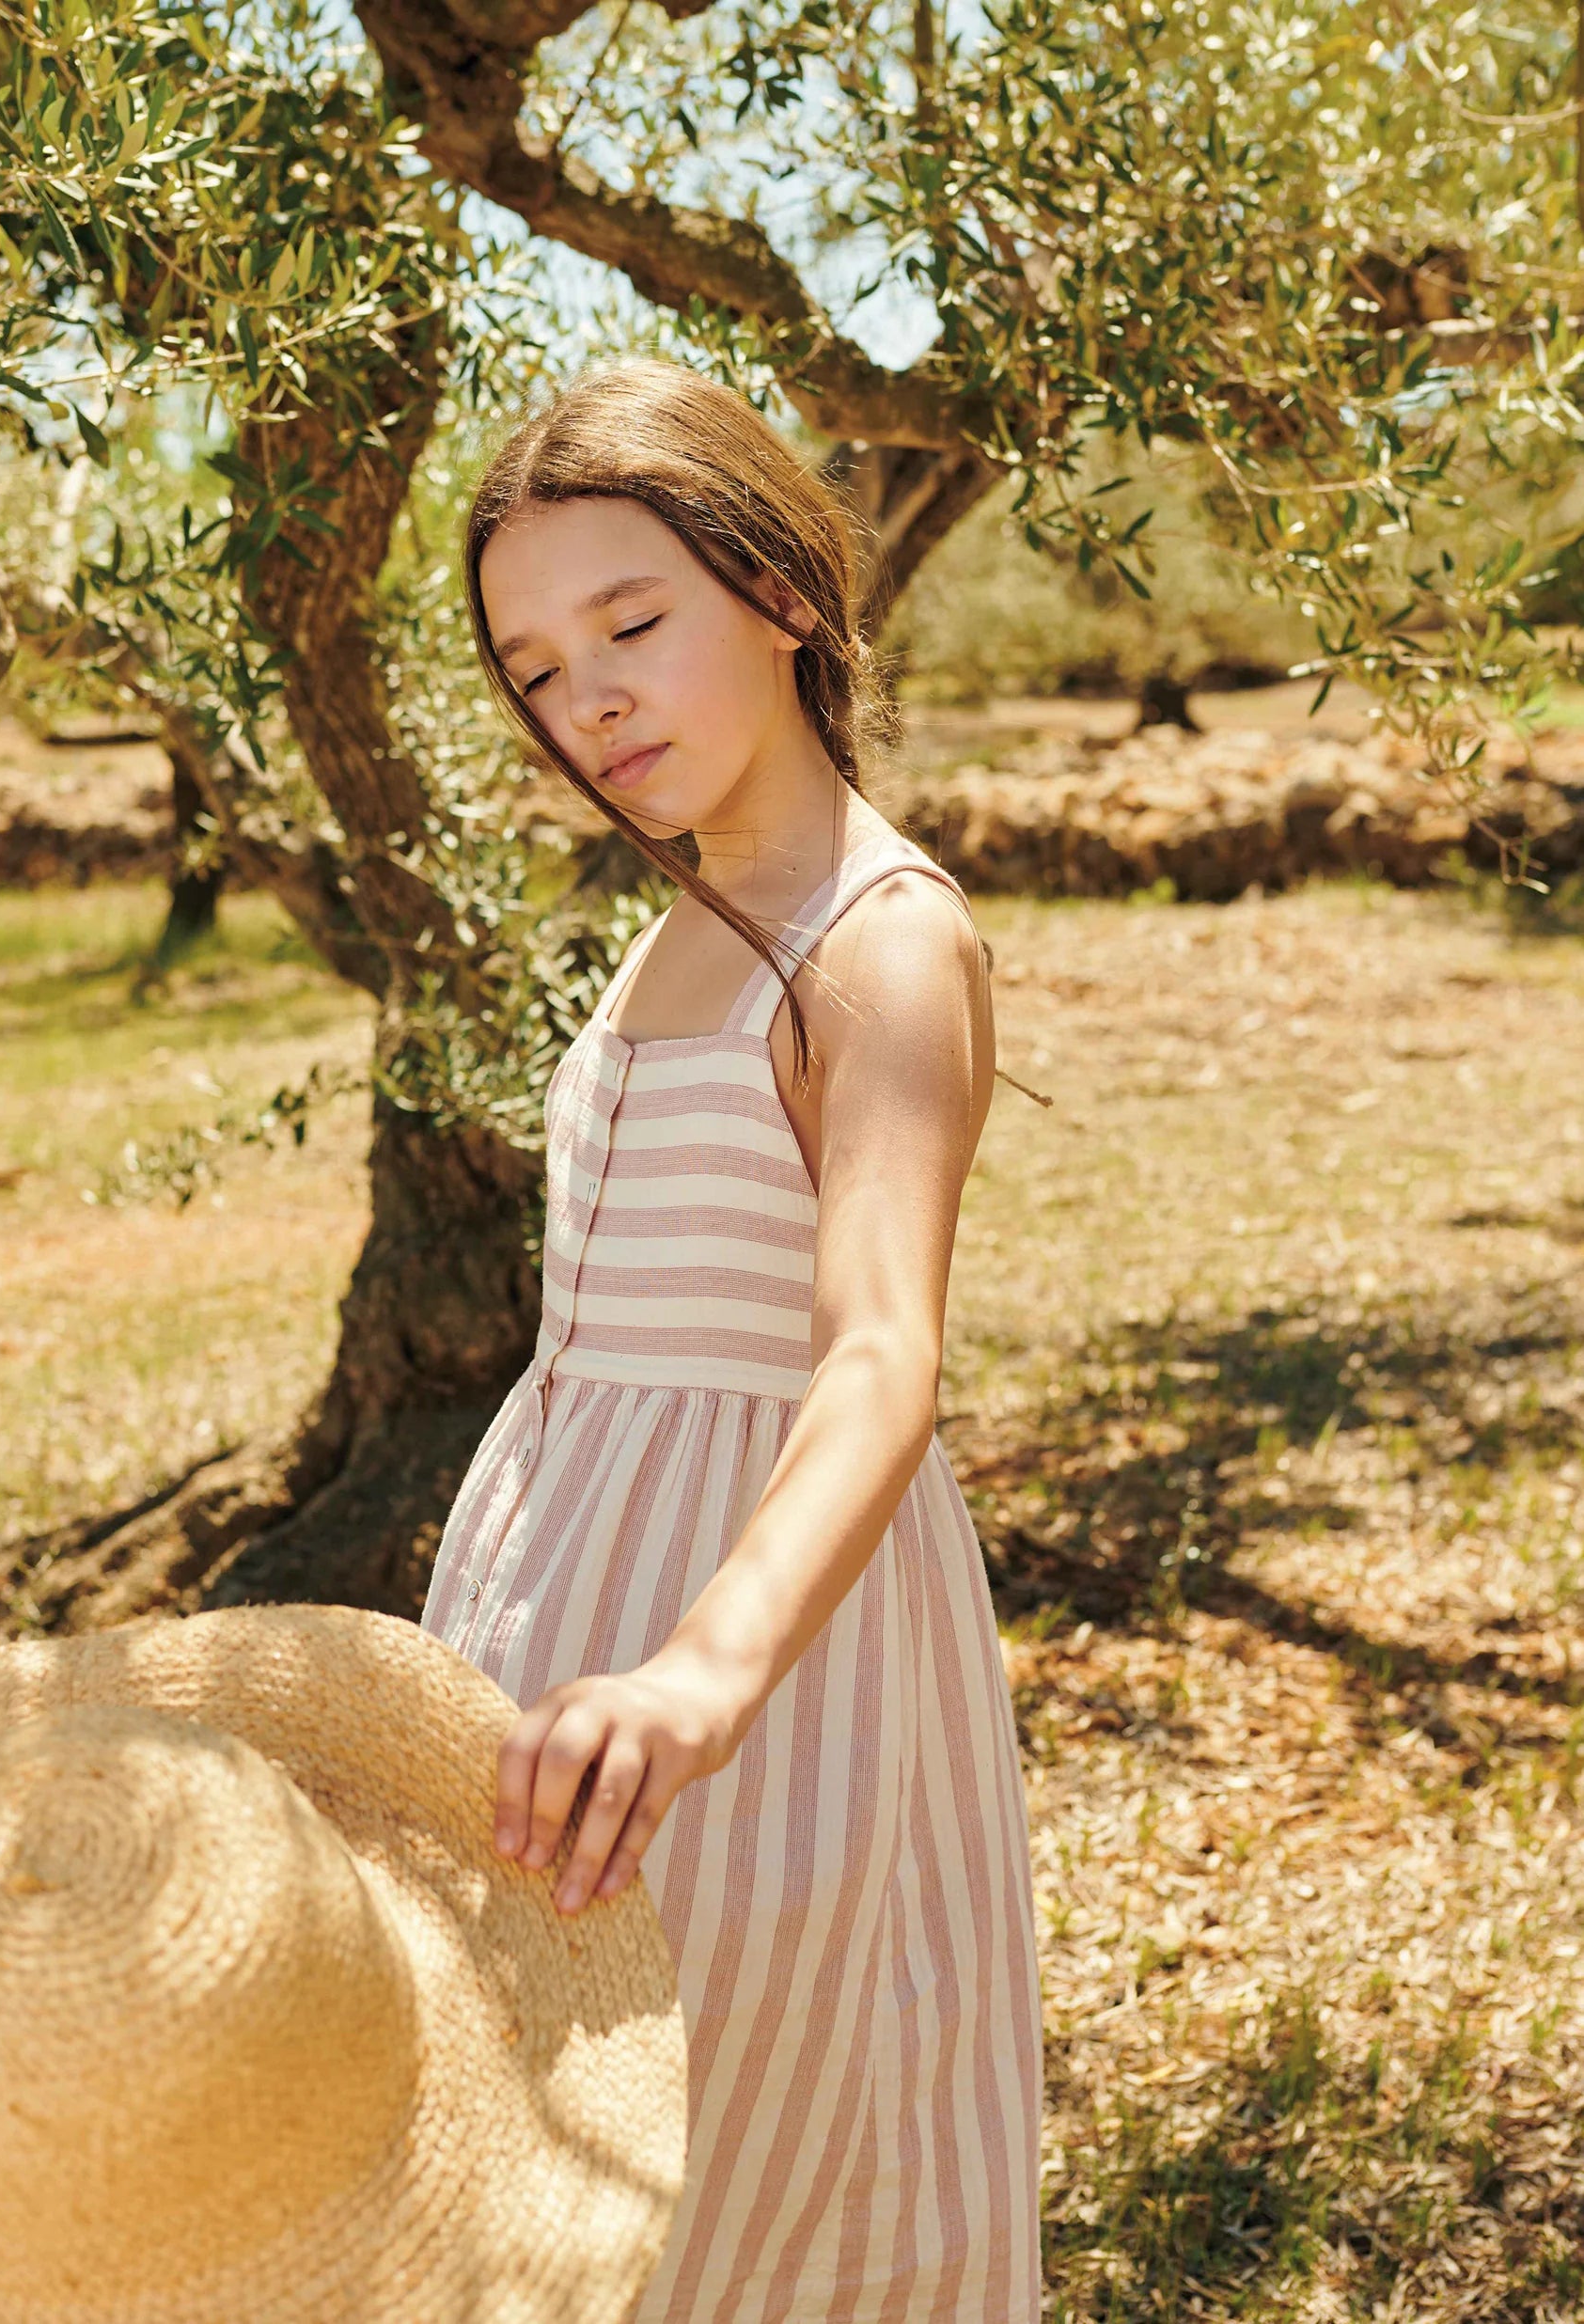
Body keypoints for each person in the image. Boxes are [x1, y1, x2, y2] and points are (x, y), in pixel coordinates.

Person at [420, 358, 1043, 2324]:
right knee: (528, 2177)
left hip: (760, 1674)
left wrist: (704, 1675)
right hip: (560, 1628)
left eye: (631, 625)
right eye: (533, 669)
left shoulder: (877, 939)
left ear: (780, 591)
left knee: (734, 2172)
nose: (585, 699)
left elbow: (878, 1358)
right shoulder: (685, 904)